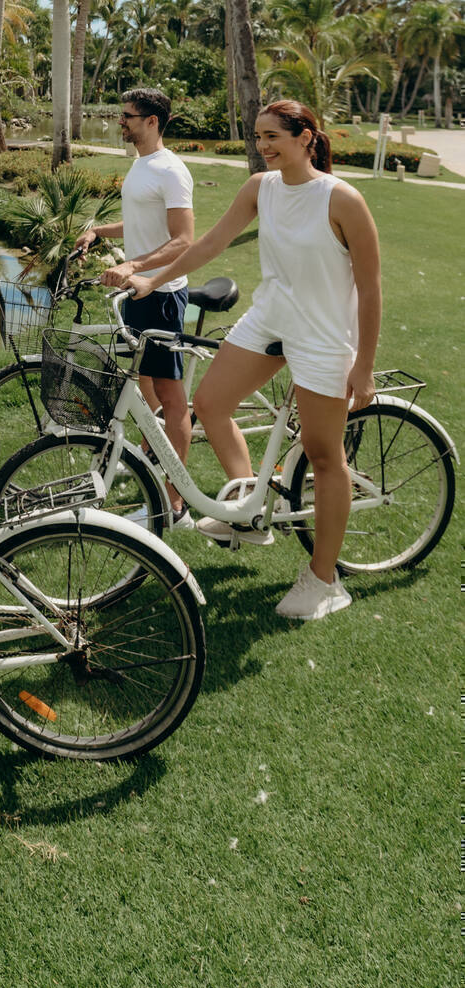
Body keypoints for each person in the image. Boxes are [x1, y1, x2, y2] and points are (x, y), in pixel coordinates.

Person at [130, 98, 381, 620]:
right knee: (210, 402)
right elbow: (210, 244)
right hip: (270, 318)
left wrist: (363, 366)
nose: (263, 146)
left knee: (323, 452)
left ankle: (324, 579)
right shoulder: (259, 188)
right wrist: (151, 279)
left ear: (306, 137)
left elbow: (371, 288)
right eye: (258, 136)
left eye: (273, 137)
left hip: (322, 334)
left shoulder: (342, 199)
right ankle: (249, 511)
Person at [75, 87, 196, 526]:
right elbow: (142, 221)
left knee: (169, 394)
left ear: (152, 121)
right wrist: (98, 232)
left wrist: (133, 265)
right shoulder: (141, 165)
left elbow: (183, 239)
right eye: (121, 114)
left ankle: (175, 502)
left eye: (128, 115)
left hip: (161, 295)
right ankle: (152, 456)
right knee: (141, 381)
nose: (120, 121)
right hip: (137, 293)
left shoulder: (171, 170)